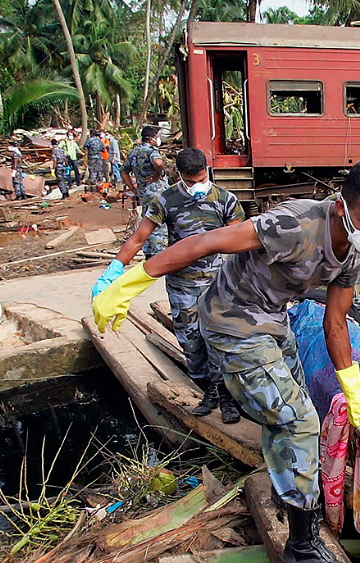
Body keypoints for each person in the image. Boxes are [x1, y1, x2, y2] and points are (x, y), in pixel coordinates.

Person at [93, 160, 360, 563]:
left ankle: (287, 487)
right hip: (231, 320)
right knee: (299, 422)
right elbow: (207, 242)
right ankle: (302, 546)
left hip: (273, 319)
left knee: (295, 409)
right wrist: (131, 280)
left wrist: (354, 394)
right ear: (340, 207)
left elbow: (335, 322)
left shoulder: (358, 250)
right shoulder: (293, 225)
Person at [94, 148, 248, 424]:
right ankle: (208, 393)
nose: (197, 187)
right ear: (179, 176)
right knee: (190, 342)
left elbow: (240, 240)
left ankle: (227, 398)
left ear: (207, 171)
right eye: (190, 182)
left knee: (219, 340)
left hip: (217, 283)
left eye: (201, 180)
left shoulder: (225, 199)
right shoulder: (165, 200)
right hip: (181, 285)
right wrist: (114, 271)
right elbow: (139, 238)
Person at [122, 126, 166, 202]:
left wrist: (133, 189)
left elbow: (123, 171)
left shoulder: (134, 152)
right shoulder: (151, 151)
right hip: (157, 193)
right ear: (151, 139)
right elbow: (158, 163)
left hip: (143, 194)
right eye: (156, 137)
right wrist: (157, 175)